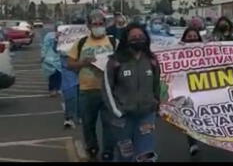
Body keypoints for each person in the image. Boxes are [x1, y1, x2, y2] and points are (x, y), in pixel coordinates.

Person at [103, 23, 160, 162]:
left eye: (140, 36)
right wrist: (117, 111)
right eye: (133, 37)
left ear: (146, 38)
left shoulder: (152, 61)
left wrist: (156, 105)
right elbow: (107, 89)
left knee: (146, 155)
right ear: (126, 39)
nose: (137, 39)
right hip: (123, 118)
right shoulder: (115, 62)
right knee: (125, 155)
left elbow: (157, 85)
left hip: (146, 115)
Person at [66, 10, 117, 162]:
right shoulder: (81, 43)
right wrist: (83, 63)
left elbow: (123, 62)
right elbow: (70, 64)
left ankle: (108, 151)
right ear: (89, 26)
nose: (98, 27)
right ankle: (92, 147)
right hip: (87, 90)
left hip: (109, 91)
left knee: (109, 124)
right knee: (88, 123)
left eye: (100, 24)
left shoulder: (114, 42)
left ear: (105, 25)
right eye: (94, 24)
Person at [180, 27, 204, 156]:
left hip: (203, 87)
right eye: (189, 37)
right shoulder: (177, 50)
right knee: (189, 116)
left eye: (195, 36)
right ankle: (192, 143)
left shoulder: (206, 50)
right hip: (185, 89)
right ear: (184, 38)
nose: (192, 39)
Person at [41, 25, 62, 97]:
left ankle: (58, 88)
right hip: (50, 58)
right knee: (52, 75)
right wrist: (43, 55)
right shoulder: (49, 36)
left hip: (59, 58)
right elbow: (45, 45)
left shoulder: (64, 35)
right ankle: (52, 89)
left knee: (59, 74)